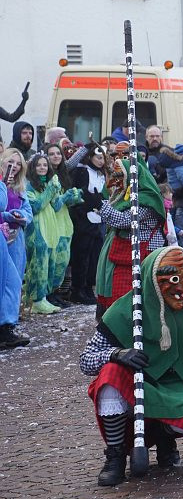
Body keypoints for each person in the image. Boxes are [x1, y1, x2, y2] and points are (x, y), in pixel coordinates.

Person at [79, 245, 183, 486]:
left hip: (176, 389)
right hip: (138, 388)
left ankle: (163, 437)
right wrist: (117, 354)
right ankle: (115, 455)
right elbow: (86, 359)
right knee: (109, 376)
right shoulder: (125, 311)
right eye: (174, 280)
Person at [96, 157, 169, 319]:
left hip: (142, 253)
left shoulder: (146, 199)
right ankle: (116, 324)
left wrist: (101, 206)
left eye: (121, 176)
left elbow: (125, 220)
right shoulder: (124, 195)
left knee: (132, 293)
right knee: (118, 291)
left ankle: (130, 325)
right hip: (123, 250)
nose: (117, 180)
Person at [24, 153, 81, 314]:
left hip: (50, 230)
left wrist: (69, 196)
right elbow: (35, 207)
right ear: (32, 168)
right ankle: (36, 300)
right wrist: (50, 191)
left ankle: (43, 297)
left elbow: (56, 206)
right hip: (36, 231)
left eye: (44, 165)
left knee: (49, 264)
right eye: (38, 165)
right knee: (38, 265)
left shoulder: (48, 183)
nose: (42, 168)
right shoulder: (29, 186)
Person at [68, 143, 107, 305]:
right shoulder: (82, 171)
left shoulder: (102, 174)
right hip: (84, 220)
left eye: (103, 158)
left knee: (94, 256)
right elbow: (78, 195)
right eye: (98, 157)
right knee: (81, 256)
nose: (101, 161)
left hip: (98, 220)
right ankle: (78, 289)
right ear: (90, 156)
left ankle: (88, 287)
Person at [0, 148, 31, 348]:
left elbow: (28, 211)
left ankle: (7, 326)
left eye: (18, 163)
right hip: (2, 236)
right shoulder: (2, 184)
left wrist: (21, 216)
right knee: (6, 281)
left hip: (15, 238)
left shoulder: (20, 187)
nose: (14, 167)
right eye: (10, 162)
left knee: (13, 282)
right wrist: (7, 216)